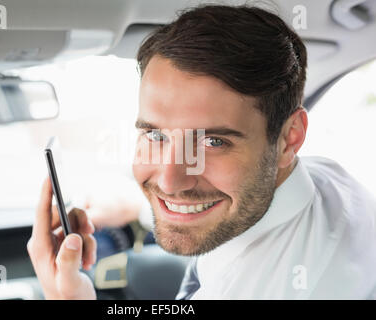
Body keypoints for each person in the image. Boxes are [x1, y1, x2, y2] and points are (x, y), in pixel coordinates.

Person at [27, 4, 376, 299]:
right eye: (155, 134)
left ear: (289, 138)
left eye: (213, 142)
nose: (170, 180)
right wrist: (137, 208)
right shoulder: (323, 181)